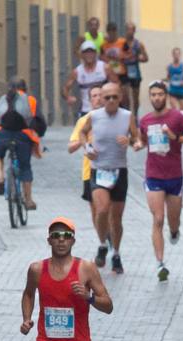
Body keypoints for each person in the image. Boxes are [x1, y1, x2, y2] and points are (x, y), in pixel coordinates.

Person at [139, 81, 183, 281]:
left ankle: (174, 231)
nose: (156, 98)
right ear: (149, 97)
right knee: (158, 219)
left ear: (166, 95)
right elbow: (142, 139)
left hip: (174, 177)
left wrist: (175, 137)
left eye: (160, 94)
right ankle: (160, 264)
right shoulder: (145, 120)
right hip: (153, 175)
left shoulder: (178, 117)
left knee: (173, 221)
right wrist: (137, 144)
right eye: (153, 95)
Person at [78, 83, 141, 274]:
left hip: (119, 171)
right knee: (102, 210)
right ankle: (102, 243)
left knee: (116, 218)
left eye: (115, 97)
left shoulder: (127, 116)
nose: (111, 100)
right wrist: (87, 148)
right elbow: (82, 133)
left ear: (120, 97)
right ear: (102, 99)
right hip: (98, 169)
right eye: (107, 98)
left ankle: (116, 253)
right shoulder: (94, 116)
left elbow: (138, 140)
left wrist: (131, 142)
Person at [0, 76, 46, 210]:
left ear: (9, 88)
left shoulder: (4, 98)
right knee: (25, 167)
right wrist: (39, 134)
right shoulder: (30, 100)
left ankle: (0, 176)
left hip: (2, 134)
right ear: (25, 89)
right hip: (22, 136)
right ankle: (28, 199)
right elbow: (41, 122)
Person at [67, 84, 104, 230]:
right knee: (95, 209)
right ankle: (103, 240)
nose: (98, 98)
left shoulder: (113, 117)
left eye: (101, 95)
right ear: (89, 100)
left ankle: (111, 238)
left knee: (107, 208)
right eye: (94, 96)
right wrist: (84, 140)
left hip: (110, 168)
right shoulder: (83, 121)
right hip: (89, 171)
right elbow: (70, 148)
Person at [63, 41, 109, 117]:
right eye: (86, 53)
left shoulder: (104, 68)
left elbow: (116, 84)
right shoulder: (77, 72)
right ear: (82, 55)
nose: (89, 55)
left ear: (95, 54)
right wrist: (68, 97)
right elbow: (65, 88)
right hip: (86, 111)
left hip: (104, 109)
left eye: (91, 52)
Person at [122, 22, 148, 118]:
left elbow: (146, 58)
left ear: (134, 31)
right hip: (124, 72)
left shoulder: (139, 44)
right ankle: (127, 116)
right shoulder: (122, 43)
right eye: (128, 29)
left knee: (135, 97)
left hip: (135, 72)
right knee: (125, 96)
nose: (130, 32)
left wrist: (137, 58)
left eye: (131, 29)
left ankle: (135, 116)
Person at [102, 22, 128, 105]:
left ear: (116, 31)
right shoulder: (104, 45)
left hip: (121, 72)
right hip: (110, 74)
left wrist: (122, 56)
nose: (112, 33)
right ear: (107, 32)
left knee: (124, 96)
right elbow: (101, 57)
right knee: (112, 94)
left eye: (114, 31)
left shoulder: (123, 42)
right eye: (110, 31)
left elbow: (129, 54)